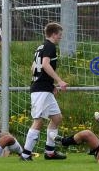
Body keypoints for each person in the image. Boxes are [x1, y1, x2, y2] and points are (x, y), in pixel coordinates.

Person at [20, 22, 68, 161]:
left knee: (57, 118)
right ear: (53, 34)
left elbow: (33, 67)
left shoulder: (41, 47)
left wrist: (50, 84)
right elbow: (46, 65)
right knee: (38, 121)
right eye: (59, 35)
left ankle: (50, 152)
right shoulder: (50, 46)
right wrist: (59, 81)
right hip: (40, 90)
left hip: (44, 88)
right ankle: (25, 155)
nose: (60, 37)